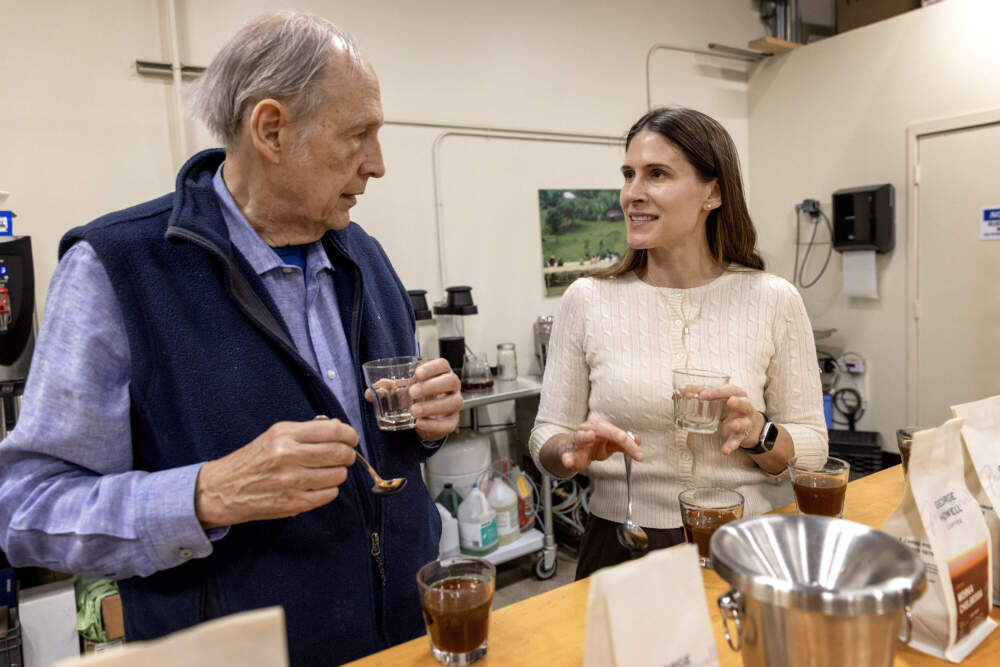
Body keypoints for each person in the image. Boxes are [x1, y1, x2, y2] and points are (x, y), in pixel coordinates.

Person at [0, 11, 462, 666]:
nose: (378, 165)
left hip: (405, 641)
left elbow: (384, 446)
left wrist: (426, 422)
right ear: (271, 130)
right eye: (358, 135)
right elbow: (26, 508)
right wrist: (208, 494)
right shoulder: (117, 270)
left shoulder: (365, 256)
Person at [529, 107, 827, 579]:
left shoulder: (774, 299)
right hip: (624, 542)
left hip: (745, 540)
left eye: (657, 174)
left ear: (713, 193)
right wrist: (569, 448)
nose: (632, 193)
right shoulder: (587, 299)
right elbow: (546, 434)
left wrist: (757, 432)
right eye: (628, 174)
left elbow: (812, 447)